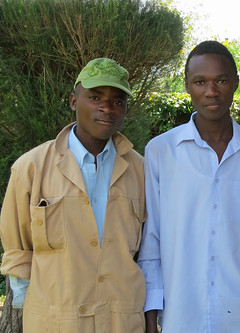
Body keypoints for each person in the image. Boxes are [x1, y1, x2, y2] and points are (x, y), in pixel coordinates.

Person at [137, 40, 240, 333]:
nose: (211, 91)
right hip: (184, 318)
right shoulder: (161, 152)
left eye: (221, 80)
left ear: (236, 83)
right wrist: (151, 316)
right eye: (200, 81)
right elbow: (152, 241)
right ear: (187, 86)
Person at [0, 58, 146, 332]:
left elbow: (147, 252)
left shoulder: (141, 171)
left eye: (117, 101)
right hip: (54, 322)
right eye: (94, 97)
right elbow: (18, 251)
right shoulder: (31, 168)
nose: (107, 107)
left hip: (121, 321)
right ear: (73, 101)